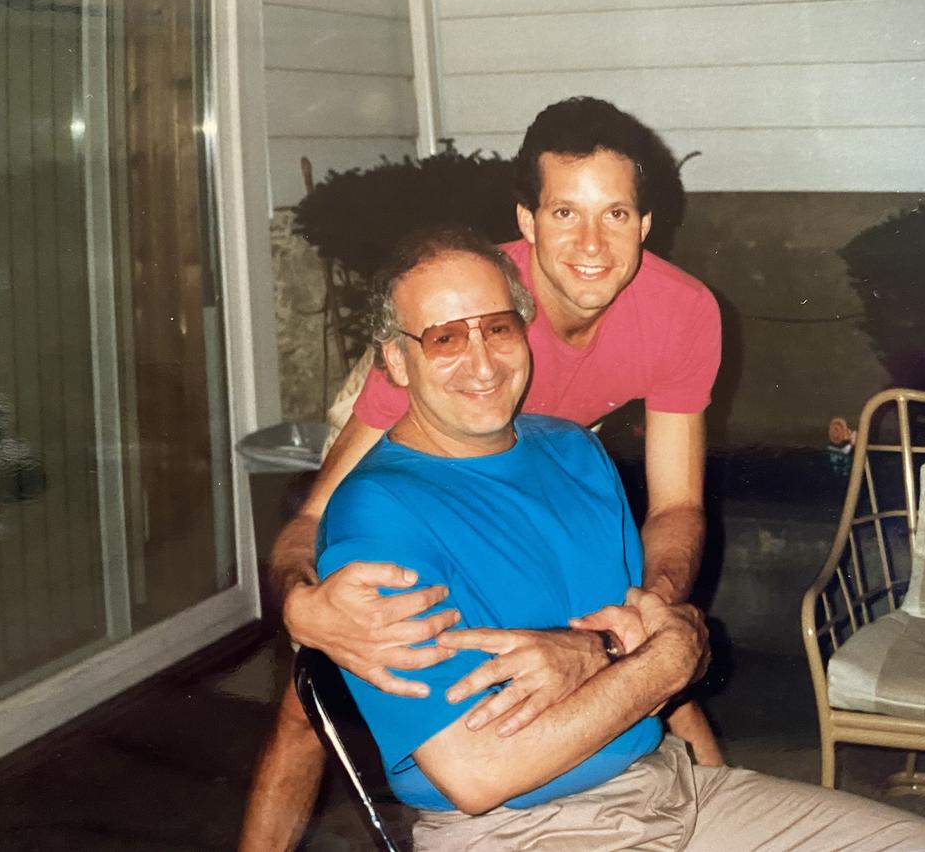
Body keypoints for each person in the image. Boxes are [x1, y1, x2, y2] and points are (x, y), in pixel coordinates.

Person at [315, 228, 925, 850]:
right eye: (445, 338)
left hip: (668, 786)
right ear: (397, 361)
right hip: (523, 827)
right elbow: (480, 773)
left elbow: (644, 644)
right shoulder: (379, 516)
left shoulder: (572, 450)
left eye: (499, 327)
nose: (482, 362)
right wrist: (666, 662)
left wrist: (707, 765)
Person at [241, 97, 722, 850]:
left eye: (616, 215)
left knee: (644, 658)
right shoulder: (472, 317)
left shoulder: (683, 312)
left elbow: (678, 504)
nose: (592, 244)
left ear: (646, 222)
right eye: (565, 213)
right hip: (423, 422)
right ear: (527, 223)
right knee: (311, 706)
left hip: (549, 445)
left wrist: (644, 618)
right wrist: (303, 609)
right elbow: (309, 520)